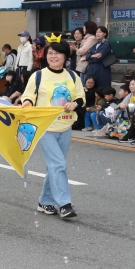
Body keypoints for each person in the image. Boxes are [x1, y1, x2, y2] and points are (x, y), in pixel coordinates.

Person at [21, 41, 84, 219]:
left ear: (65, 56)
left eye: (57, 53)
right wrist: (26, 103)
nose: (53, 56)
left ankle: (45, 201)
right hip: (45, 127)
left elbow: (81, 97)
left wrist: (74, 104)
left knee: (54, 166)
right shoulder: (38, 76)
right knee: (58, 164)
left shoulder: (72, 76)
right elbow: (28, 96)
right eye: (50, 53)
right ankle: (64, 204)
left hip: (65, 126)